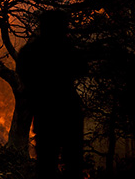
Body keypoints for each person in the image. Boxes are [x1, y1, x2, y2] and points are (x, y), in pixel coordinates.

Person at [17, 9, 85, 179]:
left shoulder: (30, 51)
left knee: (46, 162)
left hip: (45, 112)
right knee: (73, 161)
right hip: (68, 109)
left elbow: (23, 73)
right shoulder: (68, 49)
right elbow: (82, 68)